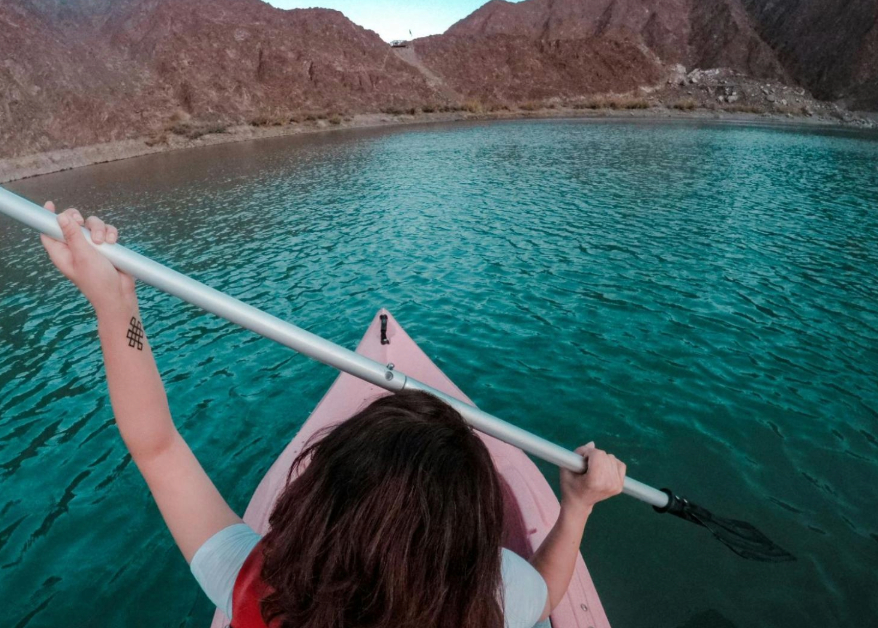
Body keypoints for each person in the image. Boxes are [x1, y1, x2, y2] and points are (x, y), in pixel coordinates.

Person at [39, 203, 628, 628]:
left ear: (317, 503)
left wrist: (115, 306)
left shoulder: (251, 586)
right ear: (466, 547)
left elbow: (156, 446)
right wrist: (575, 507)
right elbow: (550, 593)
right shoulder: (493, 602)